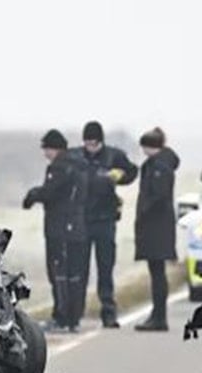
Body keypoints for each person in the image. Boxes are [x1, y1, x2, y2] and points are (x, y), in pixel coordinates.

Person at [23, 129, 90, 334]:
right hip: (77, 225)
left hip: (59, 227)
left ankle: (62, 318)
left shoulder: (60, 167)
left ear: (55, 148)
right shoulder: (80, 165)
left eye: (47, 149)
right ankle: (74, 317)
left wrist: (32, 195)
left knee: (59, 273)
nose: (45, 154)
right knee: (75, 274)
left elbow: (49, 192)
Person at [77, 120, 138, 328]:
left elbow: (132, 171)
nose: (90, 147)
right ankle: (75, 314)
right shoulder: (76, 157)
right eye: (87, 142)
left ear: (101, 141)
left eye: (94, 143)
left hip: (106, 220)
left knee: (106, 268)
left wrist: (121, 177)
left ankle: (109, 313)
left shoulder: (114, 156)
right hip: (82, 221)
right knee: (80, 269)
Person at [134, 128, 179, 332]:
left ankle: (159, 316)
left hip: (156, 226)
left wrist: (143, 210)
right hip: (158, 226)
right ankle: (157, 314)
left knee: (157, 273)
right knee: (156, 272)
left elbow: (158, 195)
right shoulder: (159, 164)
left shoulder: (159, 166)